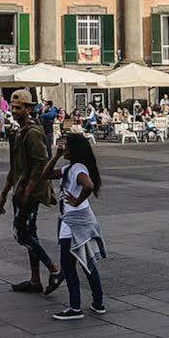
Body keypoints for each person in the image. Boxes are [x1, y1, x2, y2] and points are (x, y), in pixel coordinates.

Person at [0, 91, 59, 294]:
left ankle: (53, 269)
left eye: (19, 108)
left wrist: (27, 191)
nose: (14, 111)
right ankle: (35, 280)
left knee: (21, 233)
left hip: (29, 191)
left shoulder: (32, 132)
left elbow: (40, 164)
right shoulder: (19, 132)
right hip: (20, 188)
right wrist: (4, 193)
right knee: (30, 233)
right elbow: (15, 167)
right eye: (13, 108)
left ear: (29, 109)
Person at [51, 131, 106, 321]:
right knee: (86, 262)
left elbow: (88, 185)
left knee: (68, 265)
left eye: (66, 145)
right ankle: (98, 302)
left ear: (74, 149)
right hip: (77, 220)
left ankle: (75, 307)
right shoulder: (71, 168)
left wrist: (76, 200)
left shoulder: (77, 169)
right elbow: (46, 174)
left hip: (74, 221)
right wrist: (56, 156)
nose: (63, 147)